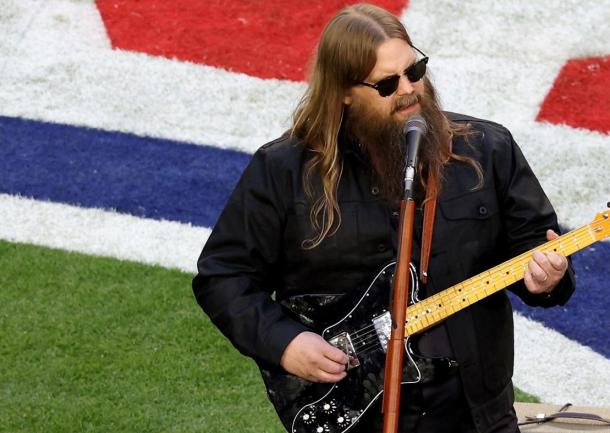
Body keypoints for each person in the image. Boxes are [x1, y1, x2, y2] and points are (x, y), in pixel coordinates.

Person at [192, 3, 575, 433]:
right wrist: (286, 344)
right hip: (358, 414)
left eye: (416, 70)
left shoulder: (488, 149)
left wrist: (549, 279)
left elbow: (534, 249)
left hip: (476, 412)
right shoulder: (283, 171)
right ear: (343, 92)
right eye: (388, 83)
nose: (410, 89)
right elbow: (224, 278)